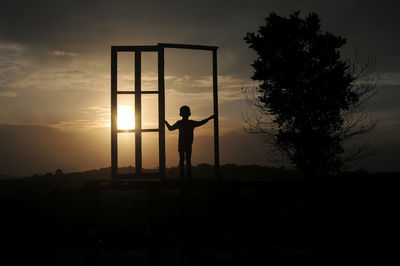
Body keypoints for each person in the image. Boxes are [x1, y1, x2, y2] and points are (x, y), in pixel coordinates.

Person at [165, 105, 214, 179]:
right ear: (189, 114)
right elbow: (201, 122)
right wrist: (210, 118)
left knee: (182, 160)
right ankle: (188, 176)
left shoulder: (180, 123)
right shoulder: (191, 123)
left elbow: (170, 128)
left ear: (180, 114)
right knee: (187, 160)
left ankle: (183, 176)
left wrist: (165, 122)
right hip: (187, 145)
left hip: (182, 145)